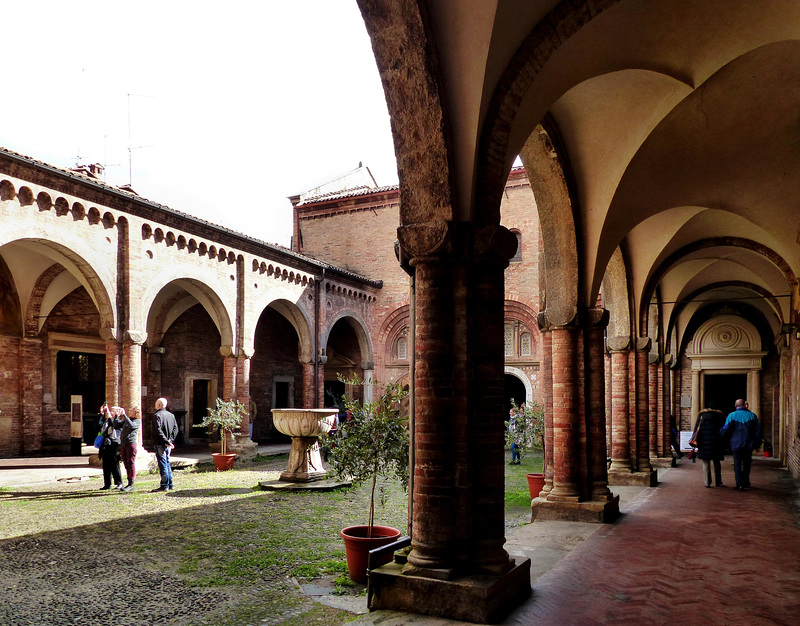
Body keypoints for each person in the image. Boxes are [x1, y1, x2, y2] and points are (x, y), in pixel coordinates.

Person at [720, 399, 761, 491]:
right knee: (747, 464)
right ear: (746, 405)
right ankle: (746, 482)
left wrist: (721, 435)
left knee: (737, 464)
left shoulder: (731, 416)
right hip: (748, 444)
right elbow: (757, 432)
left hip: (735, 444)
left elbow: (726, 430)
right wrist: (757, 444)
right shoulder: (752, 416)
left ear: (736, 406)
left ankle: (739, 484)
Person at [693, 401, 726, 488]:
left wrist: (697, 441)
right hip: (716, 443)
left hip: (704, 443)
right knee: (717, 462)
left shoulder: (701, 416)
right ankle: (718, 482)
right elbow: (724, 430)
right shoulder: (720, 416)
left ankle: (707, 482)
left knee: (706, 463)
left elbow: (697, 429)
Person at [152, 397, 178, 492]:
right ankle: (170, 484)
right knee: (167, 462)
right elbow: (175, 429)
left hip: (160, 443)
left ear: (158, 405)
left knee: (163, 464)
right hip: (167, 443)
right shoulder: (171, 415)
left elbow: (158, 430)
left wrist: (166, 441)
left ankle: (164, 485)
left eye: (156, 403)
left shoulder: (157, 415)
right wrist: (170, 440)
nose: (155, 405)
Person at [113, 405, 142, 492]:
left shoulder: (137, 421)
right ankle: (128, 482)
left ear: (135, 412)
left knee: (131, 463)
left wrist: (124, 415)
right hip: (124, 444)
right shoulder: (127, 420)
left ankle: (131, 483)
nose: (129, 412)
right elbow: (116, 425)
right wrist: (116, 415)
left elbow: (132, 426)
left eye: (131, 411)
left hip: (131, 444)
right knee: (125, 462)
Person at [98, 403, 124, 491]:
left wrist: (110, 415)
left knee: (114, 464)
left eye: (112, 411)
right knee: (106, 464)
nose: (110, 413)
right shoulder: (106, 420)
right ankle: (107, 484)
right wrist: (102, 414)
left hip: (114, 444)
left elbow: (114, 424)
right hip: (105, 444)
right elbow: (100, 425)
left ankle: (119, 483)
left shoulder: (118, 421)